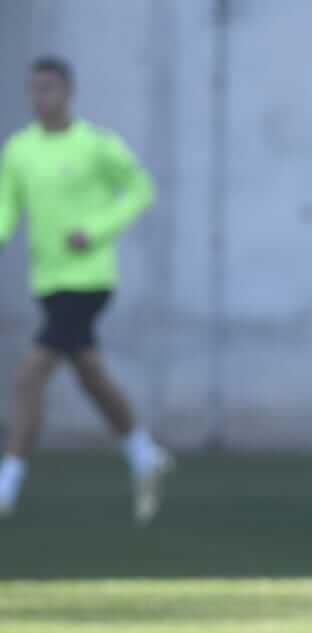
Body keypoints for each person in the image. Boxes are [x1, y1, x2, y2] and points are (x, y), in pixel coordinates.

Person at [0, 56, 171, 522]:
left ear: (69, 92)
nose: (41, 98)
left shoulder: (96, 145)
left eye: (49, 89)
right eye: (34, 90)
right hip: (49, 282)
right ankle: (143, 453)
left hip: (89, 279)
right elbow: (6, 211)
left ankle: (7, 483)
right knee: (90, 374)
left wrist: (94, 230)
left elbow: (140, 189)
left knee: (28, 375)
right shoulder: (19, 150)